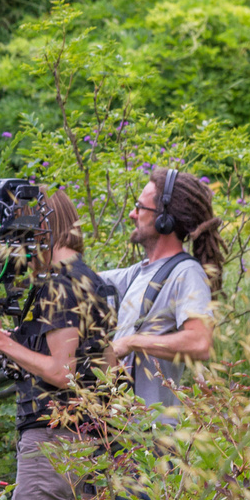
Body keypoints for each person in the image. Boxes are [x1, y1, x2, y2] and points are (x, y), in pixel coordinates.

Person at [0, 191, 115, 500]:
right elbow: (98, 363)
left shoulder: (58, 284)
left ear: (38, 230)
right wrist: (18, 344)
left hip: (53, 441)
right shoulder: (89, 279)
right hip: (87, 438)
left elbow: (62, 372)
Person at [100, 167, 221, 418]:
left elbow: (200, 342)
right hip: (124, 436)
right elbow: (77, 278)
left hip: (153, 440)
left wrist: (132, 342)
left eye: (140, 207)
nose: (132, 214)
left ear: (164, 219)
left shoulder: (186, 273)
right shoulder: (136, 275)